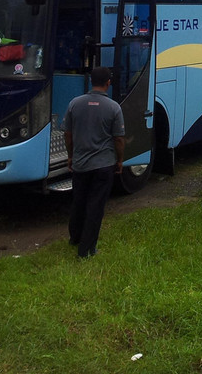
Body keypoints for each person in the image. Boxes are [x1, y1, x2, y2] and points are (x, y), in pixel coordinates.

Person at [64, 66, 124, 259]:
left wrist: (71, 155)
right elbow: (118, 139)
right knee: (95, 207)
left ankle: (75, 238)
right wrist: (120, 160)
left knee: (79, 202)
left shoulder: (75, 103)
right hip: (103, 165)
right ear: (109, 83)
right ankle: (87, 250)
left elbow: (68, 134)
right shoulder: (114, 107)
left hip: (81, 164)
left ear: (90, 81)